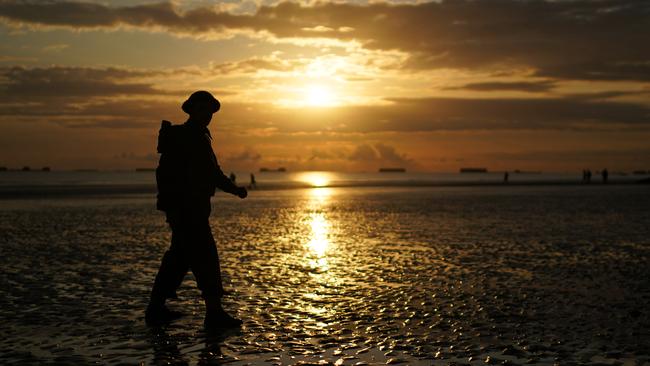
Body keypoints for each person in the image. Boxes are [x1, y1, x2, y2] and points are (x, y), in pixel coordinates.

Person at [146, 90, 248, 328]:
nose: (208, 115)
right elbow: (211, 173)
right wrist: (235, 189)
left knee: (178, 259)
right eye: (203, 109)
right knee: (206, 257)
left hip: (188, 209)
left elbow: (209, 172)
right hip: (187, 210)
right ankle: (214, 313)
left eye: (210, 111)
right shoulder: (189, 136)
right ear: (192, 110)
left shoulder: (197, 136)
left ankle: (155, 309)